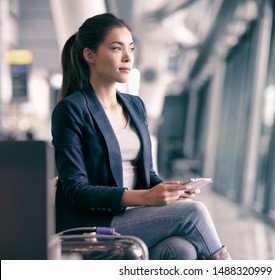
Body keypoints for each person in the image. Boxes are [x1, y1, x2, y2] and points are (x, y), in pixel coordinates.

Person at [51, 12, 231, 260]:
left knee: (182, 249)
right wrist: (145, 197)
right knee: (194, 214)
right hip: (93, 226)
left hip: (132, 216)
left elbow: (146, 174)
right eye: (116, 48)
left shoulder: (135, 106)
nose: (127, 57)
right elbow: (75, 191)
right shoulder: (71, 109)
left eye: (131, 49)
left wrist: (169, 189)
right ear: (89, 55)